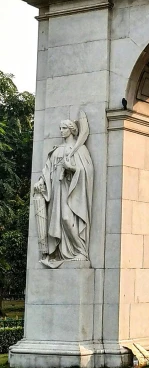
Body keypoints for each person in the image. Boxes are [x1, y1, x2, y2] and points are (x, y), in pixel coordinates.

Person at [33, 112, 94, 267]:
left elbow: (86, 171)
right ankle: (58, 252)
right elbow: (47, 170)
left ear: (71, 130)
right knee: (57, 221)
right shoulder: (57, 150)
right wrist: (41, 181)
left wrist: (72, 168)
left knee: (67, 218)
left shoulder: (79, 149)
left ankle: (80, 251)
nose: (61, 131)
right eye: (60, 128)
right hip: (56, 191)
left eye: (64, 128)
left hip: (70, 191)